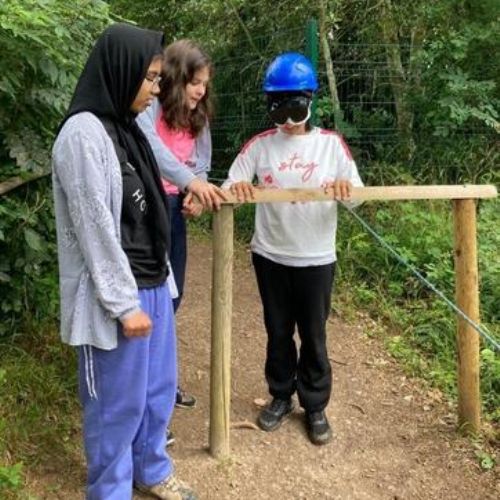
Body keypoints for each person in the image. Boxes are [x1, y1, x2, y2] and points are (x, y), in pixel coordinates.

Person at [52, 23, 196, 500]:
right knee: (115, 405)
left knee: (156, 392)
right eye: (150, 78)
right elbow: (93, 226)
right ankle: (110, 490)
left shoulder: (129, 128)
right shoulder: (82, 135)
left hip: (153, 282)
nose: (156, 89)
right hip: (113, 298)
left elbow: (149, 204)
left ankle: (150, 469)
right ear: (122, 70)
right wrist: (122, 304)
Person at [222, 52, 364, 445]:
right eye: (278, 111)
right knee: (278, 330)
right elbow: (229, 185)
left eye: (295, 110)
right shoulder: (260, 147)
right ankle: (281, 395)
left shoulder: (331, 146)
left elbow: (358, 197)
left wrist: (346, 190)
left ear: (310, 101)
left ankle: (314, 404)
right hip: (271, 255)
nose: (287, 120)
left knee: (314, 333)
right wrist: (238, 188)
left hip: (316, 257)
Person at [137, 39, 226, 410]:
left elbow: (200, 165)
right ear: (176, 78)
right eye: (195, 82)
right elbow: (151, 150)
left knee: (173, 296)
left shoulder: (198, 117)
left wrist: (195, 194)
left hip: (174, 209)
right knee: (149, 296)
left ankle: (160, 380)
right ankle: (143, 385)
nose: (201, 90)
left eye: (205, 84)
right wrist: (192, 182)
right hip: (144, 207)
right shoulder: (150, 107)